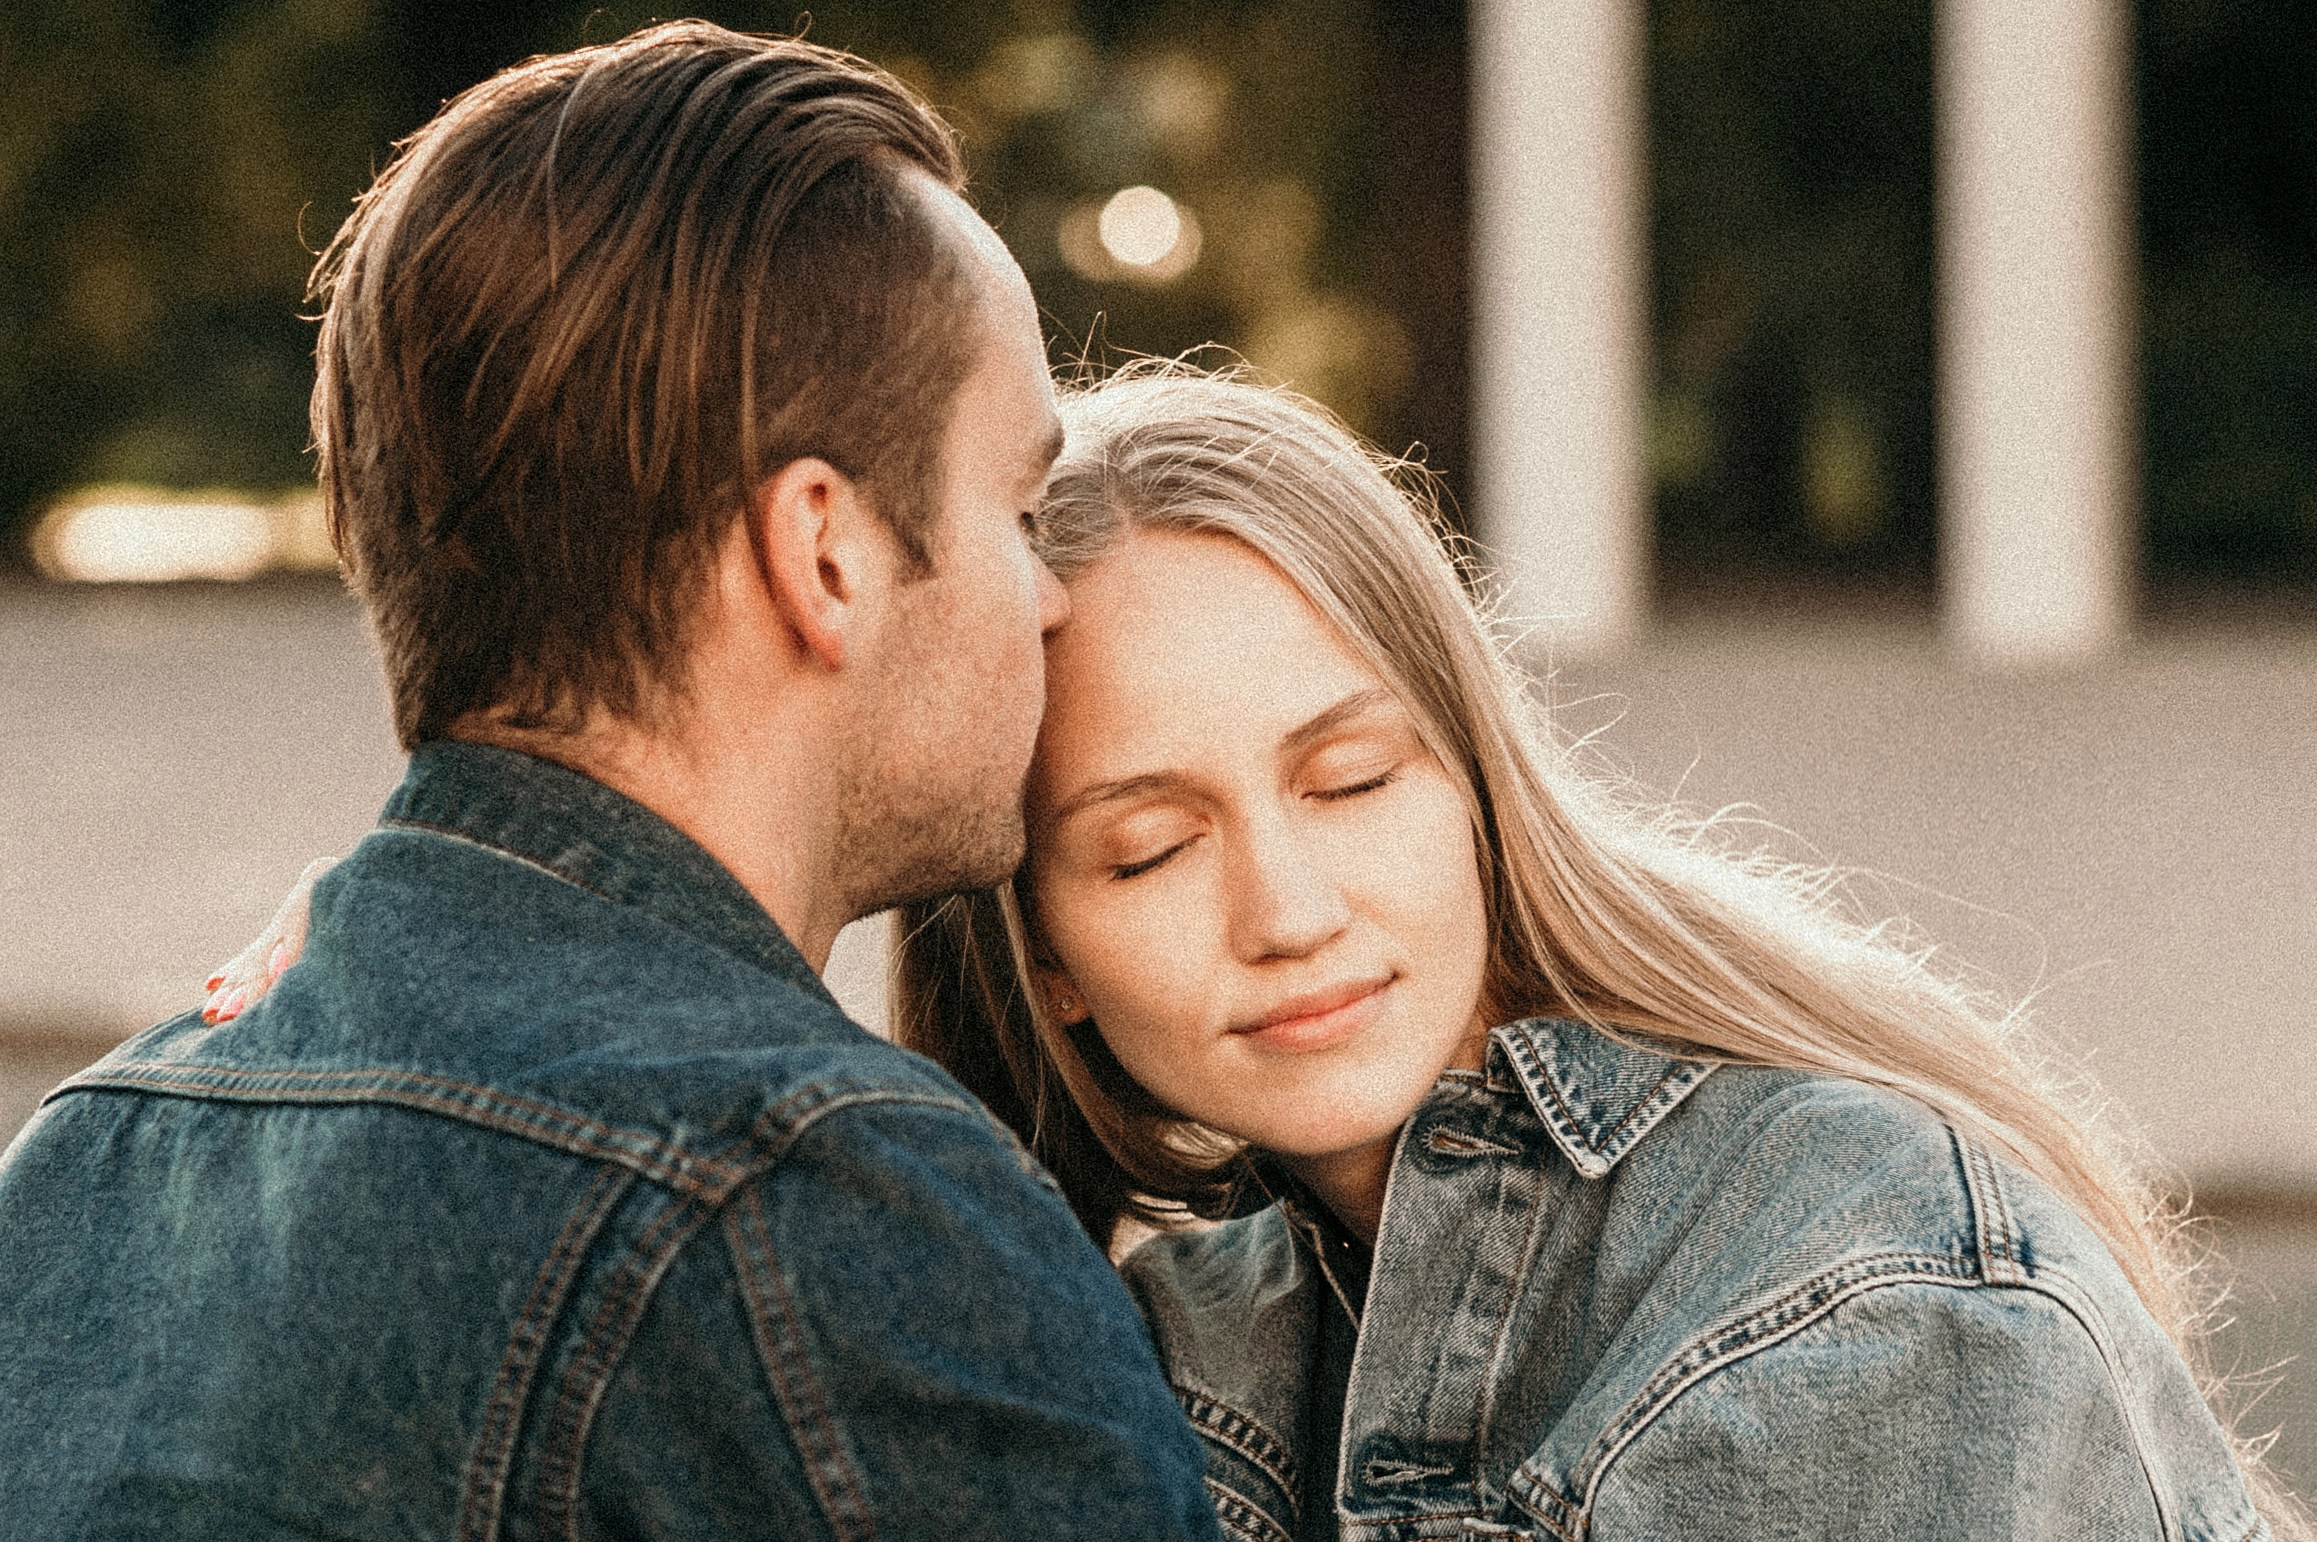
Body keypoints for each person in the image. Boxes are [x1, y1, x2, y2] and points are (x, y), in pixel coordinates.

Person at [0, 24, 1220, 1542]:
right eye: (1022, 505)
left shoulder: (87, 1161)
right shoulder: (833, 1209)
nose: (1049, 598)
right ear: (822, 551)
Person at [888, 367, 2304, 1539]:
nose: (1288, 908)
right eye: (1151, 847)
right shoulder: (1171, 1348)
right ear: (1046, 955)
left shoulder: (1859, 1297)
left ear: (1475, 789)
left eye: (1353, 778)